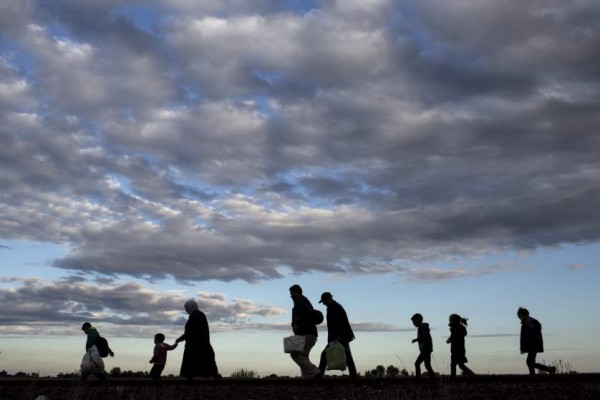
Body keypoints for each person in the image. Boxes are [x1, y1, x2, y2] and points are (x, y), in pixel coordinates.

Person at [175, 299, 220, 379]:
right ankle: (208, 375)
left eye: (186, 308)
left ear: (191, 307)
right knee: (205, 360)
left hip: (196, 345)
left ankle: (197, 375)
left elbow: (192, 331)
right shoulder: (199, 315)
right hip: (200, 344)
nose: (185, 310)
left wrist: (181, 338)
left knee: (196, 361)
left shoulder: (195, 315)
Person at [317, 292, 357, 377]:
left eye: (323, 301)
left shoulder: (334, 308)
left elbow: (338, 324)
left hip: (340, 337)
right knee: (348, 356)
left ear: (328, 299)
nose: (323, 303)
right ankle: (354, 376)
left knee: (324, 355)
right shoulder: (334, 307)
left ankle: (319, 376)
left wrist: (338, 337)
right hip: (342, 336)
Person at [289, 284, 321, 378]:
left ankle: (314, 371)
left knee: (295, 354)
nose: (290, 295)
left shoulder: (300, 302)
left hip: (305, 334)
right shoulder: (305, 301)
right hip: (311, 334)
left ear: (296, 292)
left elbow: (299, 317)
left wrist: (295, 324)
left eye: (291, 293)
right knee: (304, 357)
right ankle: (307, 377)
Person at [517, 307, 556, 375]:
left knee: (529, 362)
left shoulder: (527, 322)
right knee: (530, 361)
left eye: (518, 316)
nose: (518, 318)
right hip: (535, 344)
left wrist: (524, 347)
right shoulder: (530, 321)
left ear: (521, 315)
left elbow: (527, 335)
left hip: (533, 344)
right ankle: (534, 374)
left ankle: (549, 369)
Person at [411, 313, 435, 378]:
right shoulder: (422, 327)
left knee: (417, 363)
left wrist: (417, 339)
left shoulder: (422, 327)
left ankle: (418, 379)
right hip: (426, 348)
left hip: (425, 349)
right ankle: (434, 380)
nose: (413, 324)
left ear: (417, 321)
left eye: (414, 322)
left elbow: (426, 337)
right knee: (427, 365)